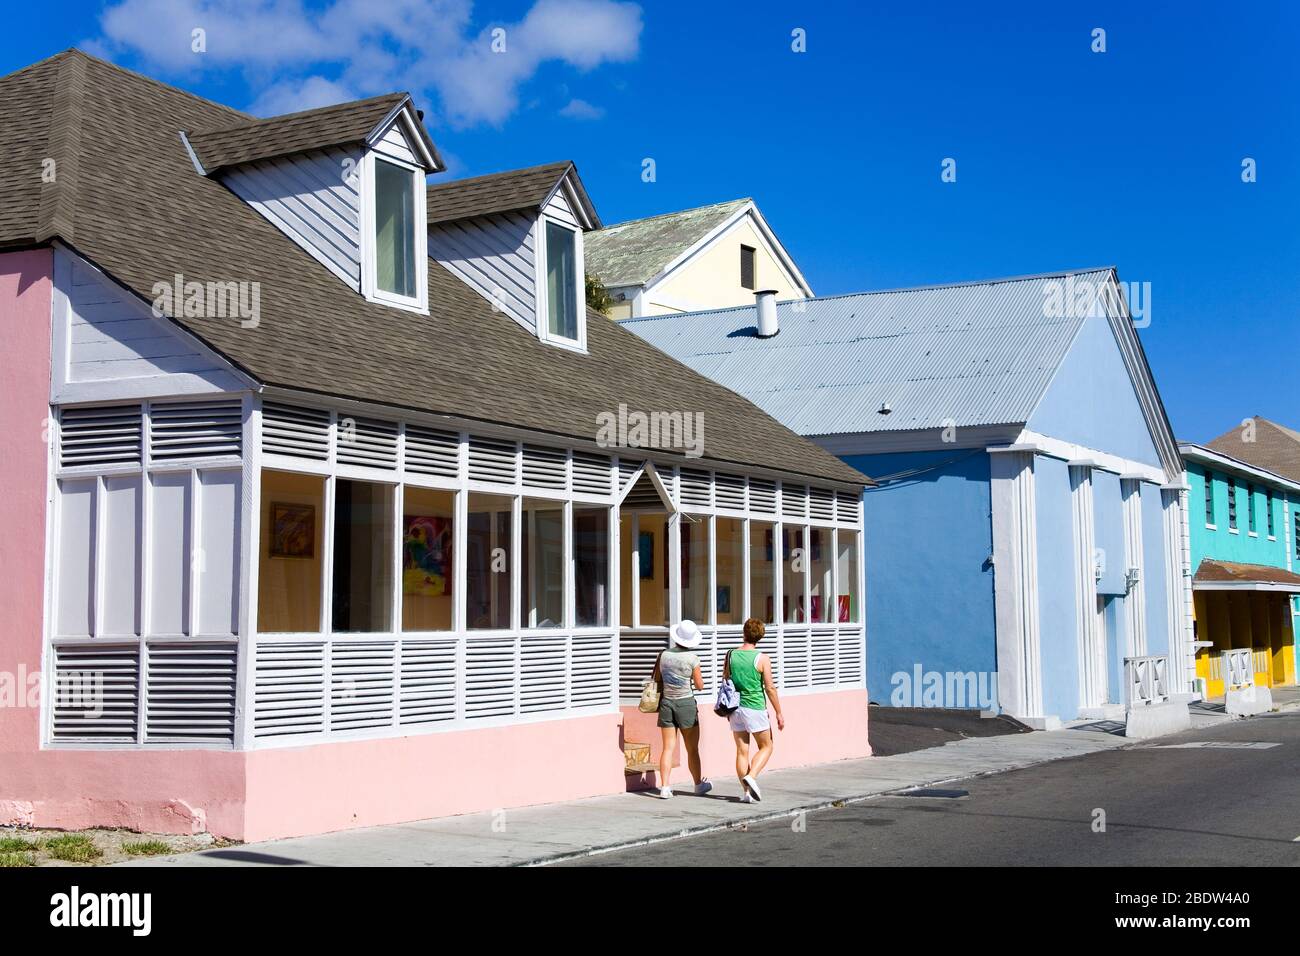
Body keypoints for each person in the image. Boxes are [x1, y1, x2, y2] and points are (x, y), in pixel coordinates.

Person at [651, 620, 713, 799]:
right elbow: (699, 685)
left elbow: (656, 678)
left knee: (667, 748)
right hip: (686, 704)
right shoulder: (693, 659)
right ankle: (698, 785)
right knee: (692, 748)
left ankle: (664, 787)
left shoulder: (663, 655)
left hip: (667, 703)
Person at [725, 618, 784, 802]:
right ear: (760, 636)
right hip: (755, 707)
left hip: (735, 708)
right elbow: (770, 688)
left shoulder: (731, 655)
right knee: (767, 746)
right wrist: (779, 712)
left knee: (742, 751)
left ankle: (746, 793)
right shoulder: (762, 658)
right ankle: (752, 776)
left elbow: (726, 679)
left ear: (744, 632)